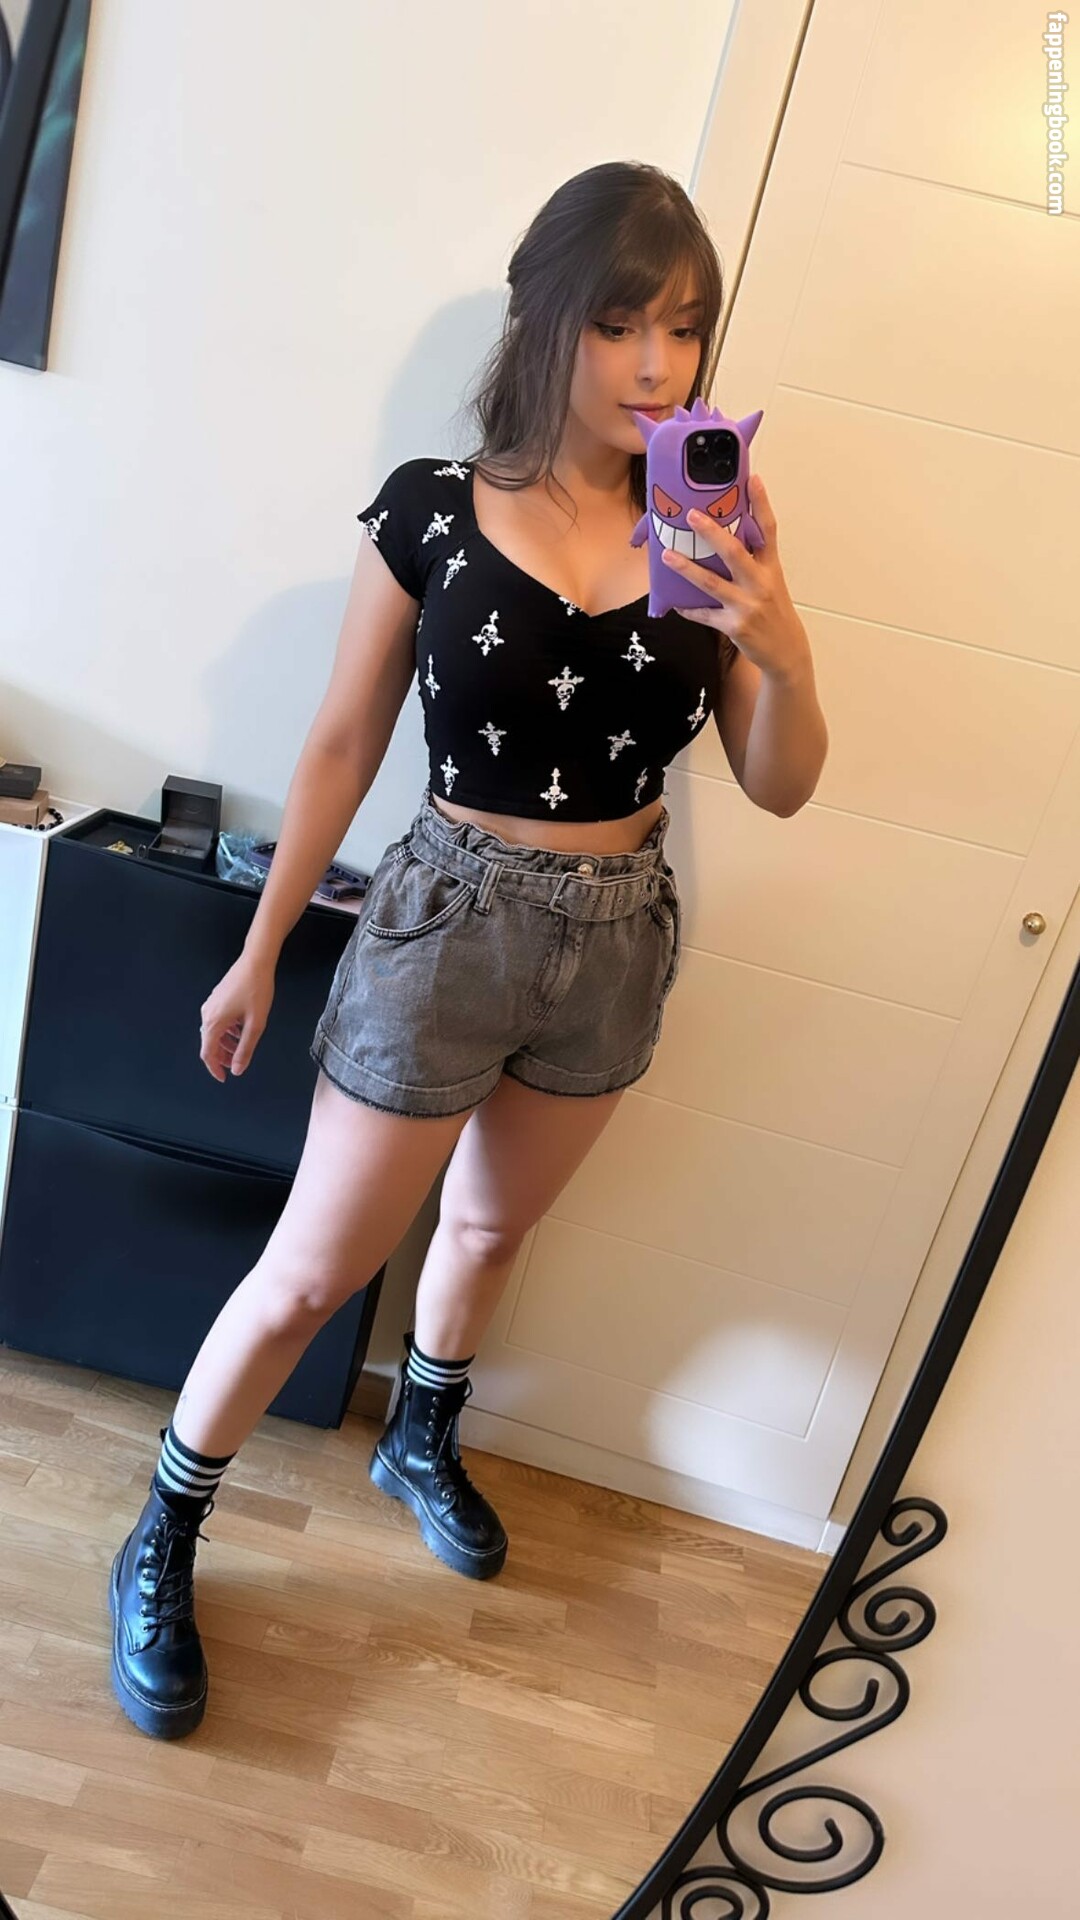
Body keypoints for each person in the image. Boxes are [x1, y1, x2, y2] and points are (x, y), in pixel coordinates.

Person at [108, 159, 818, 1741]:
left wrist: (779, 643)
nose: (656, 365)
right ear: (544, 315)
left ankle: (419, 1435)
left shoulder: (712, 523)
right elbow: (341, 740)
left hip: (618, 931)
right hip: (445, 921)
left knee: (491, 1233)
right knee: (310, 1272)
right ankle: (165, 1529)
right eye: (620, 322)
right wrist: (259, 950)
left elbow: (782, 784)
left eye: (685, 329)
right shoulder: (432, 506)